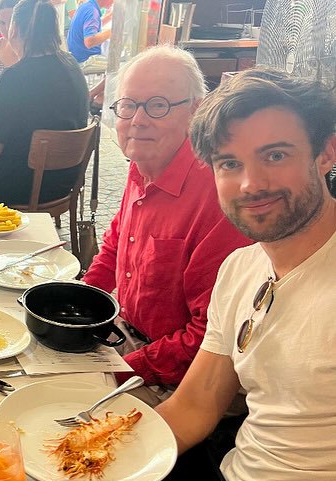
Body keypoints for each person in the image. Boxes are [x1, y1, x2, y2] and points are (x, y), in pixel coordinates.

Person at [154, 68, 336, 481]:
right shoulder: (242, 265)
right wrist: (100, 442)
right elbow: (196, 405)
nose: (251, 183)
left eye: (275, 155)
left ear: (326, 153)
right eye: (229, 163)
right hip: (224, 480)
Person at [82, 46, 250, 404]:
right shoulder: (144, 157)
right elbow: (115, 242)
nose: (137, 120)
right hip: (131, 337)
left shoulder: (218, 196)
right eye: (128, 105)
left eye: (157, 106)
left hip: (185, 377)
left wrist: (124, 366)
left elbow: (209, 336)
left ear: (196, 111)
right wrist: (81, 301)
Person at [0, 0, 88, 206]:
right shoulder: (71, 65)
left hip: (19, 186)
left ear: (14, 30)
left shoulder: (15, 77)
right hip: (63, 182)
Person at [67, 0, 115, 64]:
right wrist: (113, 31)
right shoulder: (92, 12)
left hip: (75, 55)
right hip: (84, 60)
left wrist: (111, 16)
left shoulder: (87, 6)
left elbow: (95, 24)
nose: (113, 2)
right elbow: (89, 41)